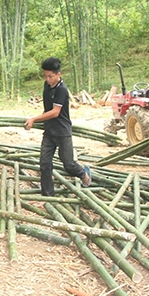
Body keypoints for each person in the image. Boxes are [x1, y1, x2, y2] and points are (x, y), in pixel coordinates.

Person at [24, 57, 91, 196]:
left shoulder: (62, 90)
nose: (48, 79)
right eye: (45, 76)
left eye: (51, 76)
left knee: (69, 164)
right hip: (49, 132)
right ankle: (48, 195)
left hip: (62, 131)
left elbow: (55, 112)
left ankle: (85, 175)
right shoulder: (46, 86)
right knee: (44, 164)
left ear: (58, 74)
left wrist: (34, 119)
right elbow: (47, 108)